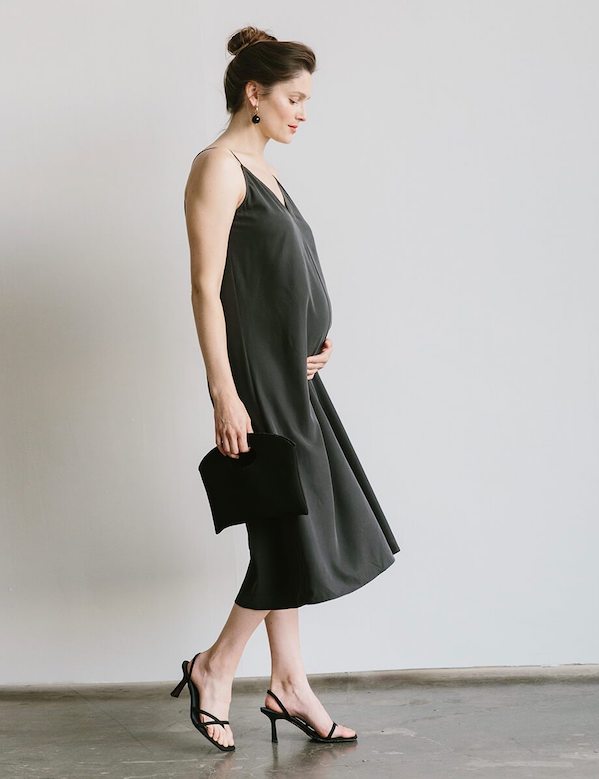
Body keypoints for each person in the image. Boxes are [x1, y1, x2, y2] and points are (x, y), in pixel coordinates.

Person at [174, 25, 401, 752]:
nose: (303, 112)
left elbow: (281, 276)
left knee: (285, 526)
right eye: (294, 98)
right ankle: (217, 666)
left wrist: (315, 335)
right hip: (257, 381)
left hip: (290, 375)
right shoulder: (218, 168)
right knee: (292, 527)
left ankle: (288, 681)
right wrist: (224, 392)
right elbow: (206, 289)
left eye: (306, 100)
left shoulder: (265, 170)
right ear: (255, 94)